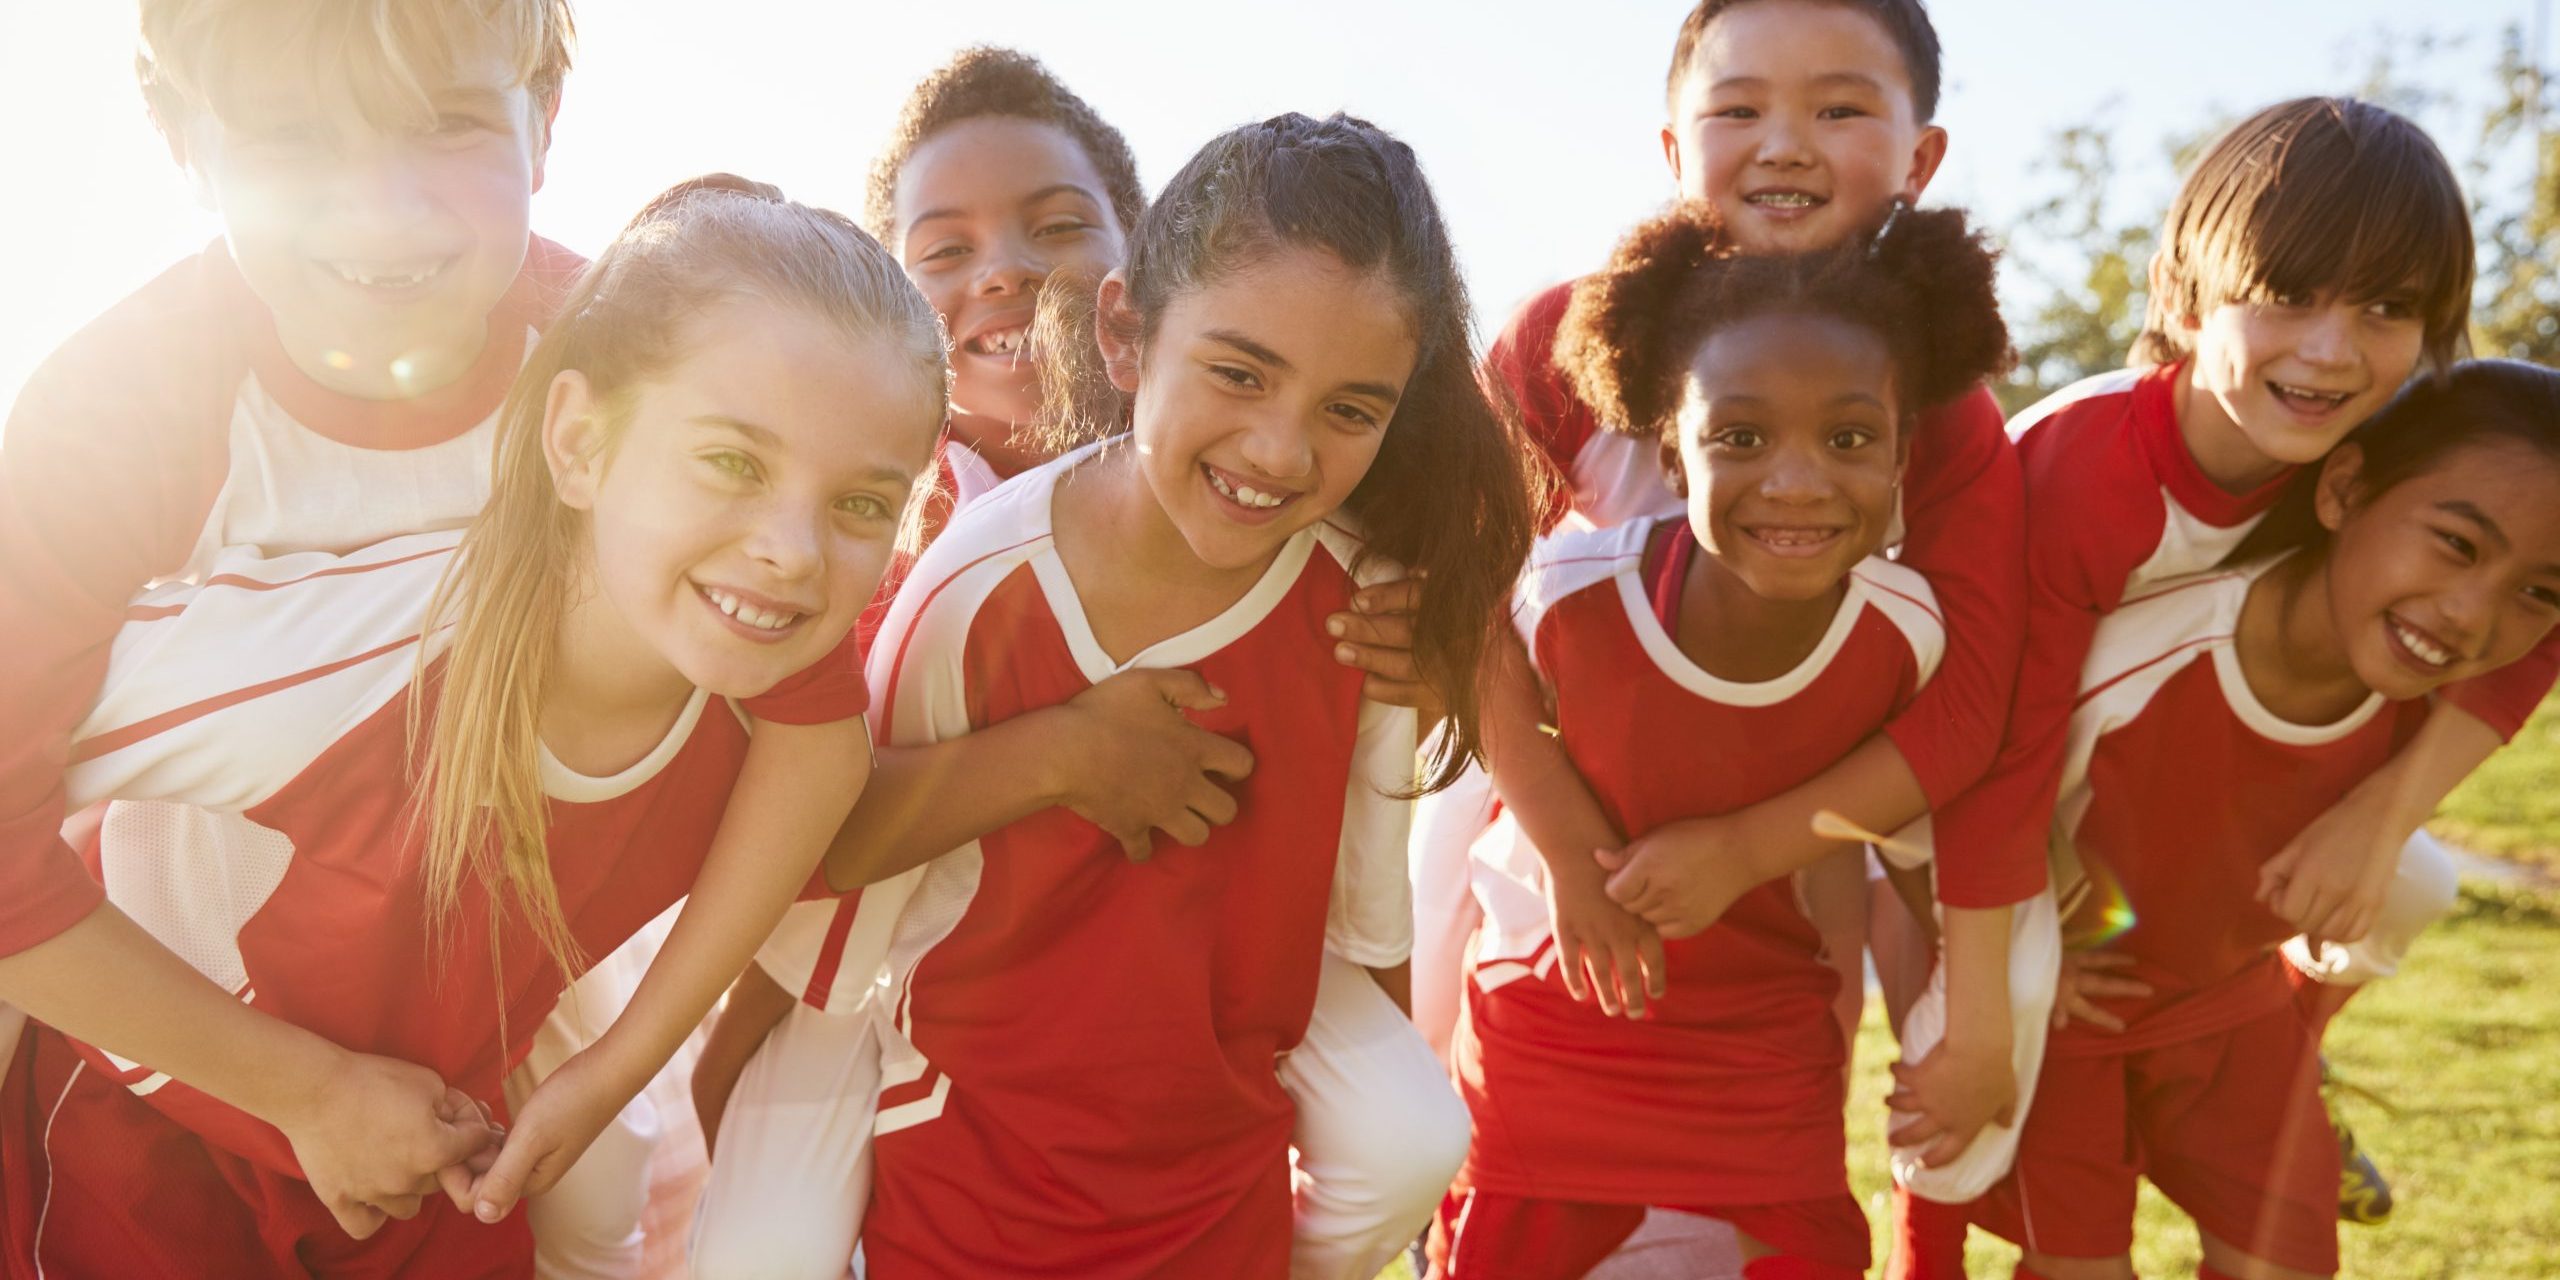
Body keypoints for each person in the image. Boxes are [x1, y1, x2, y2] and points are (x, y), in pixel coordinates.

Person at [0, 7, 873, 1271]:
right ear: (183, 139)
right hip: (159, 1085)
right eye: (293, 136)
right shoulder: (115, 417)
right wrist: (299, 1090)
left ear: (544, 122)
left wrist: (610, 1070)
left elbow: (810, 729)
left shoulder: (633, 363)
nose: (380, 212)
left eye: (446, 123)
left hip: (443, 1099)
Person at [688, 51, 1467, 1280]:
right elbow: (820, 856)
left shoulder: (1311, 541)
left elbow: (1360, 887)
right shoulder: (878, 531)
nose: (1003, 268)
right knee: (757, 1249)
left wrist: (1423, 648)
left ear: (1121, 268)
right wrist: (1064, 751)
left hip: (1215, 959)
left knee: (1411, 1131)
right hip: (913, 964)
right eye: (945, 249)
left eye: (1052, 225)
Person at [1891, 96, 2542, 1275]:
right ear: (2187, 297)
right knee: (1987, 1050)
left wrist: (2378, 815)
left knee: (2414, 876)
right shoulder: (2086, 476)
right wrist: (1999, 984)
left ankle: (2299, 1045)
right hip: (1956, 796)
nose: (2332, 348)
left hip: (2150, 811)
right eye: (2286, 295)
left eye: (2387, 308)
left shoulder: (2371, 441)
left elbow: (2539, 606)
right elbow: (2000, 751)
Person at [1438, 3, 2038, 1247]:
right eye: (1736, 108)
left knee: (1783, 1142)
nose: (1783, 144)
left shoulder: (1946, 413)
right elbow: (1463, 601)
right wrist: (1560, 840)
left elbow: (1968, 705)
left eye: (1838, 107)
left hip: (1802, 820)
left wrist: (1748, 845)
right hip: (1545, 773)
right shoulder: (1562, 340)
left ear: (1921, 158)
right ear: (1670, 148)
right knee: (1456, 1082)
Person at [1969, 360, 2560, 1280]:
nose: (2471, 616)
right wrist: (2023, 952)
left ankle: (2308, 1050)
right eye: (2456, 545)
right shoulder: (2146, 659)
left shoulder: (2432, 694)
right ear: (2344, 490)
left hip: (2233, 1009)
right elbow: (1975, 799)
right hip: (2073, 1014)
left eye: (2539, 592)